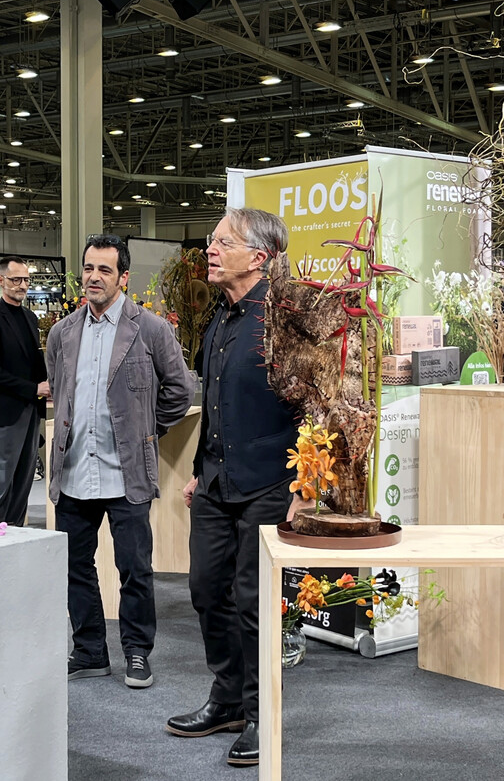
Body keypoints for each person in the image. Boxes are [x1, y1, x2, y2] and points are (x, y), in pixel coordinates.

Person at [166, 208, 299, 768]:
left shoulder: (287, 320)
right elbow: (216, 406)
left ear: (259, 257)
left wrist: (305, 488)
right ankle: (226, 701)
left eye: (223, 243)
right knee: (204, 589)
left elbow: (315, 409)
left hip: (270, 483)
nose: (210, 251)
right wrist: (200, 467)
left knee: (253, 603)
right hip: (217, 482)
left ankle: (260, 713)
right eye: (211, 241)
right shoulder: (219, 319)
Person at [46, 234, 194, 689]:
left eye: (104, 270)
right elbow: (58, 386)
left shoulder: (149, 329)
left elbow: (180, 390)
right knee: (75, 567)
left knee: (134, 568)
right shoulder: (62, 333)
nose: (93, 277)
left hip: (126, 472)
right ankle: (89, 649)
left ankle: (136, 652)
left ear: (123, 277)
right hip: (73, 472)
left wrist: (146, 433)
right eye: (88, 268)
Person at [0, 256, 49, 526]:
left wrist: (47, 384)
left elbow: (31, 361)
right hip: (4, 413)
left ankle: (15, 534)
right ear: (0, 281)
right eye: (15, 280)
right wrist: (35, 388)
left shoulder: (29, 317)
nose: (22, 285)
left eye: (26, 280)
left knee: (23, 481)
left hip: (30, 410)